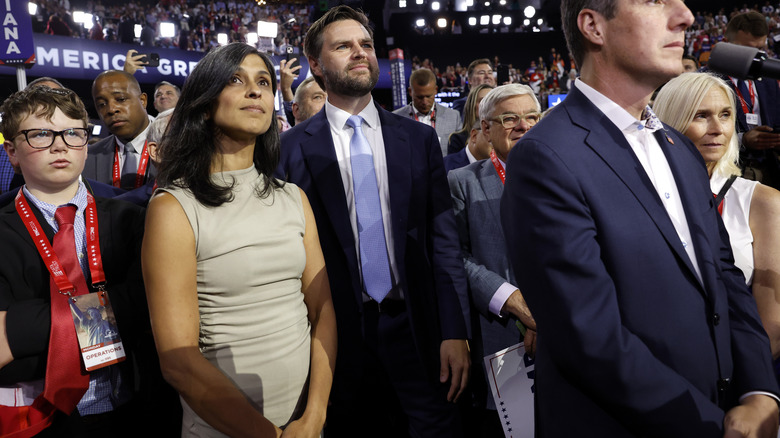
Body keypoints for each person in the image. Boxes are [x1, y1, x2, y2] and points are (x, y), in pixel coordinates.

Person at [500, 0, 780, 435]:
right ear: (594, 26)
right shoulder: (544, 156)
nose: (686, 16)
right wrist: (715, 427)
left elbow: (723, 276)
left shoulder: (678, 147)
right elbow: (589, 337)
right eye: (655, 1)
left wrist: (760, 391)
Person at [278, 5, 470, 437]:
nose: (360, 53)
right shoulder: (289, 150)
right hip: (334, 340)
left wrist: (454, 331)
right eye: (343, 46)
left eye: (366, 44)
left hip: (418, 330)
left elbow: (443, 244)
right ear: (315, 64)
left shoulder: (418, 140)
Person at [142, 42, 337, 437]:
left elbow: (323, 311)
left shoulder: (293, 198)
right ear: (205, 100)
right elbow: (179, 361)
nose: (255, 91)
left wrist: (315, 416)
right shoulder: (174, 208)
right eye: (236, 79)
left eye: (264, 82)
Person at [0, 85, 177, 436]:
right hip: (38, 417)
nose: (60, 144)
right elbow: (7, 370)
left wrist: (15, 331)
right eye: (39, 134)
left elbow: (150, 306)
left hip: (133, 408)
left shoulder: (133, 218)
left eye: (72, 133)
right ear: (12, 153)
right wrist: (118, 306)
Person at [654, 71, 780, 366]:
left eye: (725, 115)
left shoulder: (763, 202)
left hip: (739, 377)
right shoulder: (638, 196)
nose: (718, 129)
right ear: (670, 122)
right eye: (701, 116)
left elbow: (771, 329)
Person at [447, 84, 540, 436]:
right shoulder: (461, 182)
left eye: (532, 117)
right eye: (510, 118)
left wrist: (545, 313)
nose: (523, 126)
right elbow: (455, 255)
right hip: (500, 341)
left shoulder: (565, 178)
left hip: (563, 337)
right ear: (486, 129)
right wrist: (513, 300)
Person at [717, 11, 780, 190]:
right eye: (746, 49)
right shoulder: (706, 79)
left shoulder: (769, 79)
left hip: (769, 170)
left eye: (760, 49)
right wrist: (741, 140)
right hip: (727, 172)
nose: (754, 57)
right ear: (725, 42)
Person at [85, 70, 155, 190]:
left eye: (121, 99)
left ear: (143, 100)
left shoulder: (178, 149)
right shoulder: (88, 158)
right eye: (101, 104)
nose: (111, 109)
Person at [393, 68, 462, 156]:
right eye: (420, 97)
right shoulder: (395, 118)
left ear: (436, 90)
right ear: (410, 92)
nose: (425, 102)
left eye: (428, 96)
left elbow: (459, 155)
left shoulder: (453, 117)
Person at [447, 83, 494, 155]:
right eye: (483, 101)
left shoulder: (503, 136)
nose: (488, 105)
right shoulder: (456, 139)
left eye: (492, 101)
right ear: (472, 105)